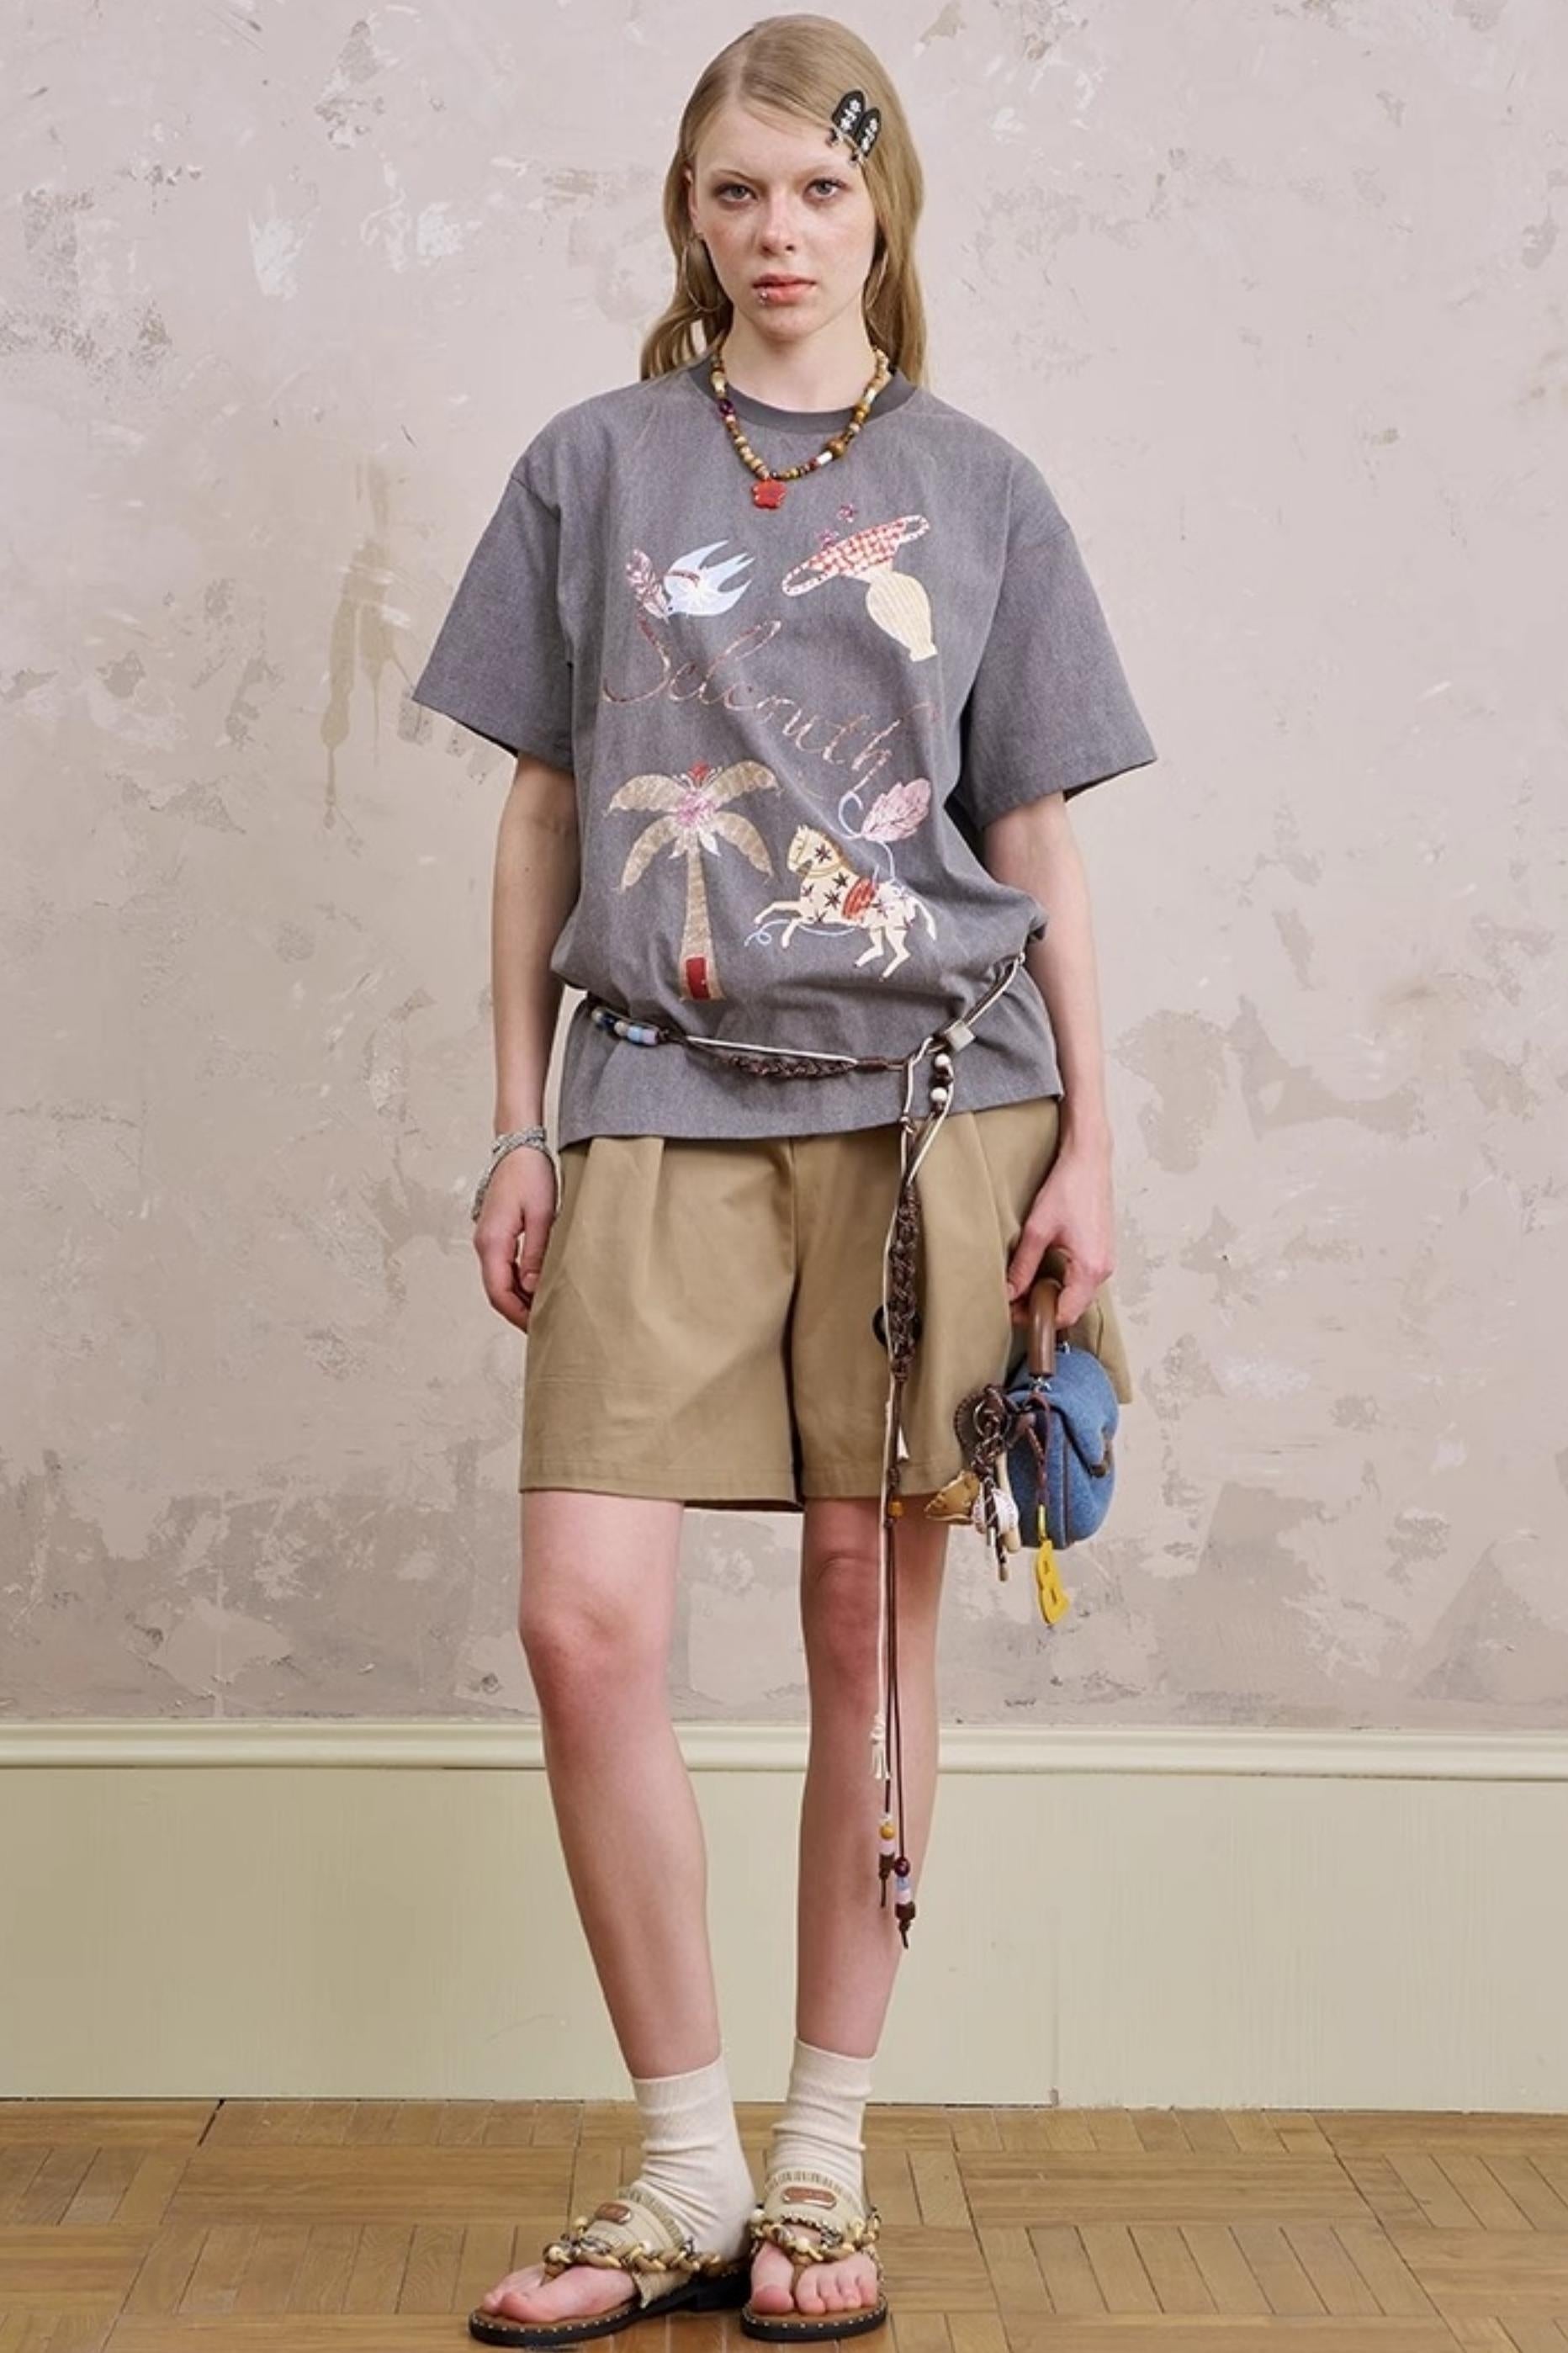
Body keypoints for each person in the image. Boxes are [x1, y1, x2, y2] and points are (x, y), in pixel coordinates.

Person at [409, 15, 1156, 2346]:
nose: (779, 231)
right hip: (652, 1089)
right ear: (690, 214)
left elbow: (1032, 838)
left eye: (822, 190)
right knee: (584, 1623)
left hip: (935, 1108)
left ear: (882, 209)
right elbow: (542, 811)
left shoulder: (981, 488)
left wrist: (1097, 1147)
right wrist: (517, 1117)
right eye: (737, 191)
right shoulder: (593, 466)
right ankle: (680, 2169)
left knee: (866, 1624)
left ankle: (819, 2162)